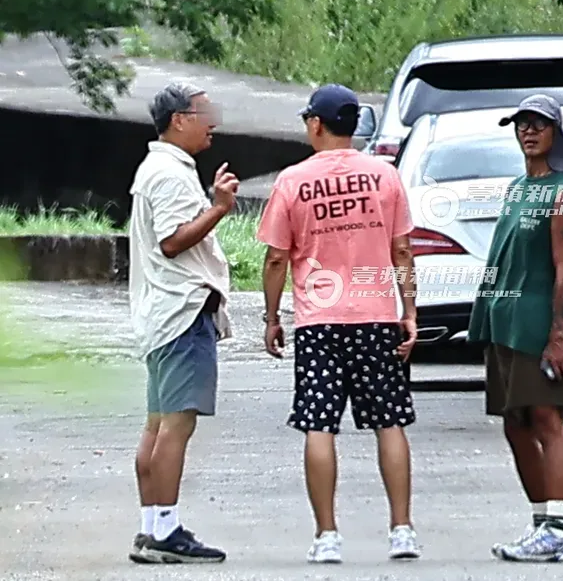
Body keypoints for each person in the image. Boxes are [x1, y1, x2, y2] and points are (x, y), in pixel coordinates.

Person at [257, 83, 421, 565]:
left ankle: (327, 535)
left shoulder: (293, 181)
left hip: (319, 321)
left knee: (318, 424)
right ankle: (402, 529)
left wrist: (271, 317)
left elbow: (274, 258)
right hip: (375, 317)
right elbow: (403, 250)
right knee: (389, 421)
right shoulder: (384, 176)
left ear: (315, 124)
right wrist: (408, 311)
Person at [467, 93, 563, 563]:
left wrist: (559, 334)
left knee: (546, 419)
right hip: (504, 321)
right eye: (522, 124)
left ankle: (561, 529)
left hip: (538, 323)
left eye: (539, 124)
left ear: (556, 132)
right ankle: (542, 525)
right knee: (514, 423)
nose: (528, 131)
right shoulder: (519, 189)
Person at [127, 82, 239, 564]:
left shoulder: (158, 167)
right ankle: (165, 532)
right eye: (203, 112)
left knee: (157, 426)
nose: (212, 120)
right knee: (176, 425)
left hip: (162, 311)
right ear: (179, 119)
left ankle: (151, 524)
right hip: (182, 310)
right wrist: (218, 207)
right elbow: (173, 242)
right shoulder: (170, 174)